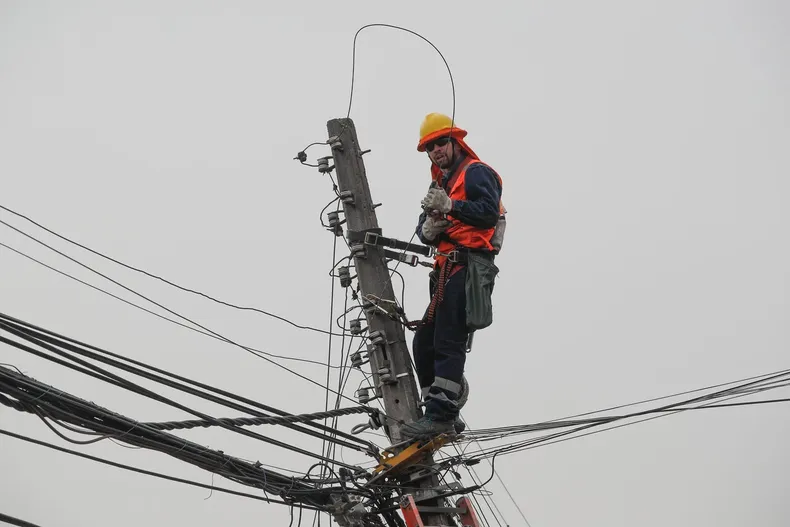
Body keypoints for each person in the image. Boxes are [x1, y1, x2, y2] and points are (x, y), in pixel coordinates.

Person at [400, 113, 505, 441]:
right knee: (424, 342)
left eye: (441, 143)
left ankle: (441, 415)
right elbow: (423, 229)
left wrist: (451, 206)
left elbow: (488, 213)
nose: (436, 151)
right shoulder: (439, 185)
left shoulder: (475, 172)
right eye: (430, 147)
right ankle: (438, 410)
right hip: (446, 271)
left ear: (455, 142)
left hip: (468, 267)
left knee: (448, 339)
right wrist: (430, 228)